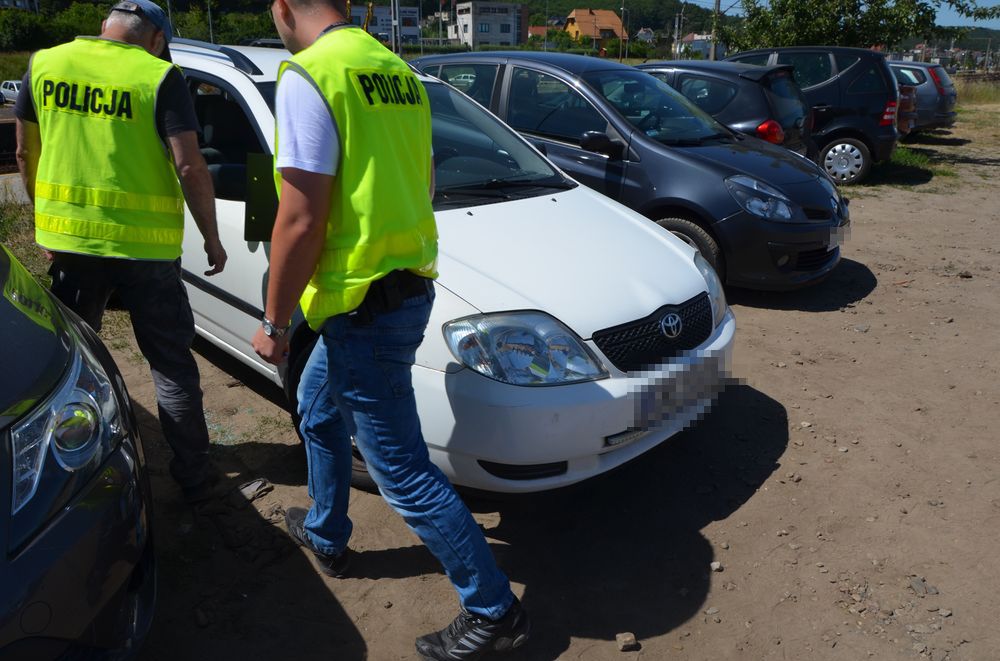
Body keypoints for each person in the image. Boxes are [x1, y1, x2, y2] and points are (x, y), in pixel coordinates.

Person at [250, 0, 530, 658]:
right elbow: (424, 180)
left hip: (364, 306)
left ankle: (494, 609)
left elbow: (299, 217)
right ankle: (326, 531)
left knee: (400, 468)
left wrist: (272, 319)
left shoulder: (311, 73)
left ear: (284, 8)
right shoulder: (396, 70)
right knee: (316, 410)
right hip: (398, 288)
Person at [15, 0, 228, 504]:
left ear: (104, 27)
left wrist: (48, 224)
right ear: (155, 37)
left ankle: (72, 471)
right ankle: (195, 476)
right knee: (171, 363)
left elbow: (26, 152)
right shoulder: (158, 76)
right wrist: (211, 237)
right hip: (148, 252)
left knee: (70, 362)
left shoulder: (45, 63)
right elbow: (190, 166)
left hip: (74, 247)